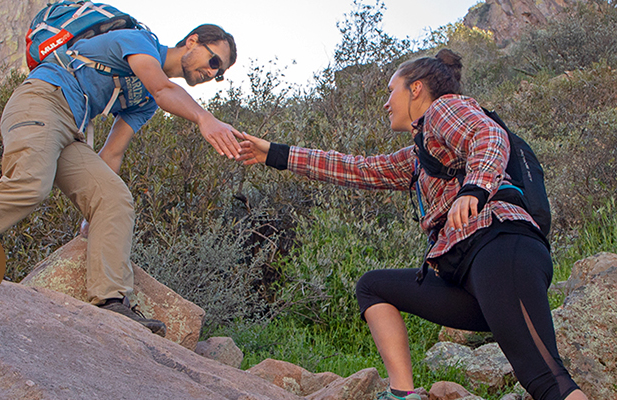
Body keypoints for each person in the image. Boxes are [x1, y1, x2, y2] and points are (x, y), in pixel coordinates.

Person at [235, 49, 587, 400]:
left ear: (416, 89)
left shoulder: (443, 109)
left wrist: (475, 187)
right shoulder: (419, 155)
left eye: (392, 91)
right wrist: (273, 154)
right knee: (374, 287)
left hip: (500, 246)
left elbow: (488, 134)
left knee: (545, 379)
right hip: (467, 274)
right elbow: (357, 168)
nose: (387, 103)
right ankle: (404, 394)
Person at [0, 24, 243, 335]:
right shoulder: (139, 41)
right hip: (43, 100)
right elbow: (163, 89)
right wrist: (205, 117)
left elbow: (113, 153)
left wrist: (93, 215)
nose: (212, 74)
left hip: (72, 129)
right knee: (29, 184)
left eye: (220, 74)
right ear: (192, 42)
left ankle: (110, 303)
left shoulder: (144, 101)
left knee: (113, 198)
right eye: (214, 62)